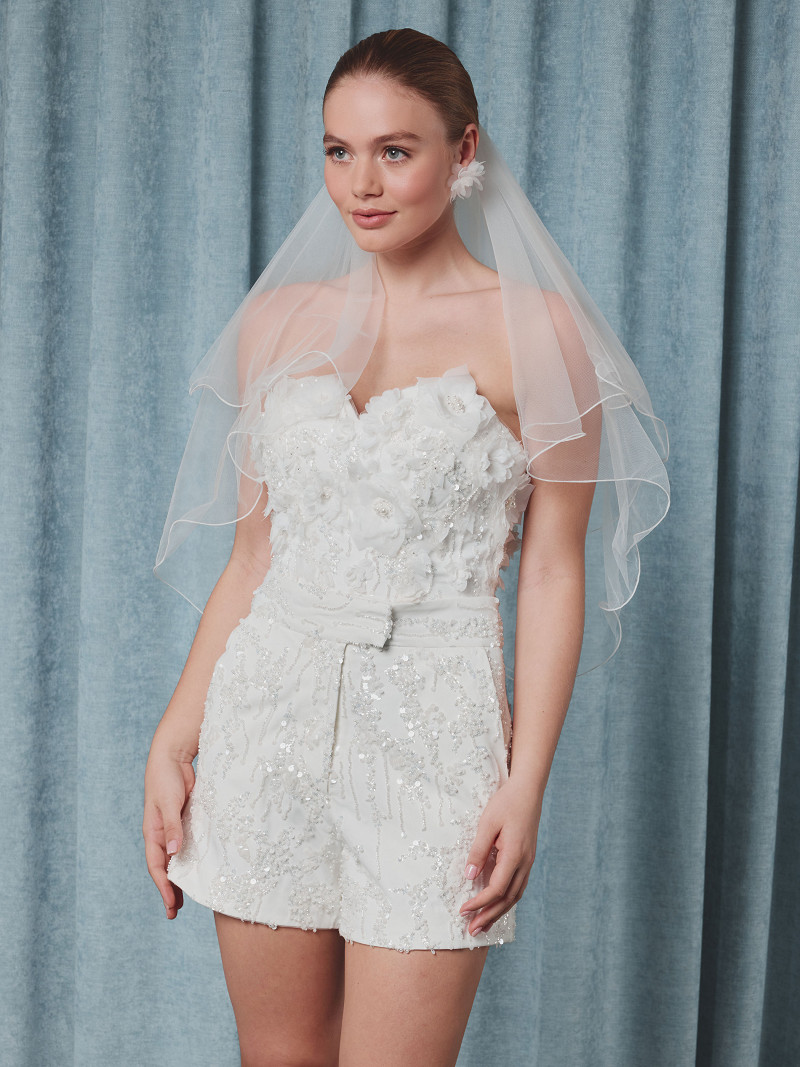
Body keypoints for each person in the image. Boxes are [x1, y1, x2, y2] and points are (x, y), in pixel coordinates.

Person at [143, 27, 669, 1067]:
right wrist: (172, 737)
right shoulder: (278, 323)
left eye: (395, 150)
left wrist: (524, 779)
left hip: (434, 726)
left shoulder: (538, 331)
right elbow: (252, 560)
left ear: (463, 149)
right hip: (267, 719)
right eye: (339, 152)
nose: (362, 184)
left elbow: (552, 568)